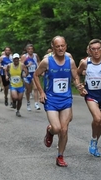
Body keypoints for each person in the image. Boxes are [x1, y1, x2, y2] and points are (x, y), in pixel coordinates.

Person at [33, 36, 79, 167]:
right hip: (51, 99)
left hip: (66, 99)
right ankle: (50, 131)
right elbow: (36, 75)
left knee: (64, 130)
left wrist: (78, 85)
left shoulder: (70, 61)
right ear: (53, 47)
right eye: (57, 46)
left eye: (62, 46)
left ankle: (60, 156)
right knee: (57, 128)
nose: (60, 48)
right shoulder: (46, 62)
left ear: (66, 46)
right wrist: (41, 92)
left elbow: (75, 76)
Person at [76, 39, 101, 157]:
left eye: (98, 49)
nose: (96, 51)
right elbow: (76, 74)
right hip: (91, 95)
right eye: (93, 49)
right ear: (90, 51)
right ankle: (93, 138)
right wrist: (80, 87)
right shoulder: (85, 62)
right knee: (97, 118)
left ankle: (95, 142)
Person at [21, 44, 41, 111]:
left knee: (36, 88)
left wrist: (39, 68)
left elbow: (38, 62)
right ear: (27, 50)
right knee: (28, 90)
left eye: (32, 49)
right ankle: (28, 102)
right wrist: (27, 65)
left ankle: (36, 103)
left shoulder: (35, 55)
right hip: (27, 75)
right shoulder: (24, 56)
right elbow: (21, 65)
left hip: (34, 74)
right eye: (29, 49)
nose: (30, 50)